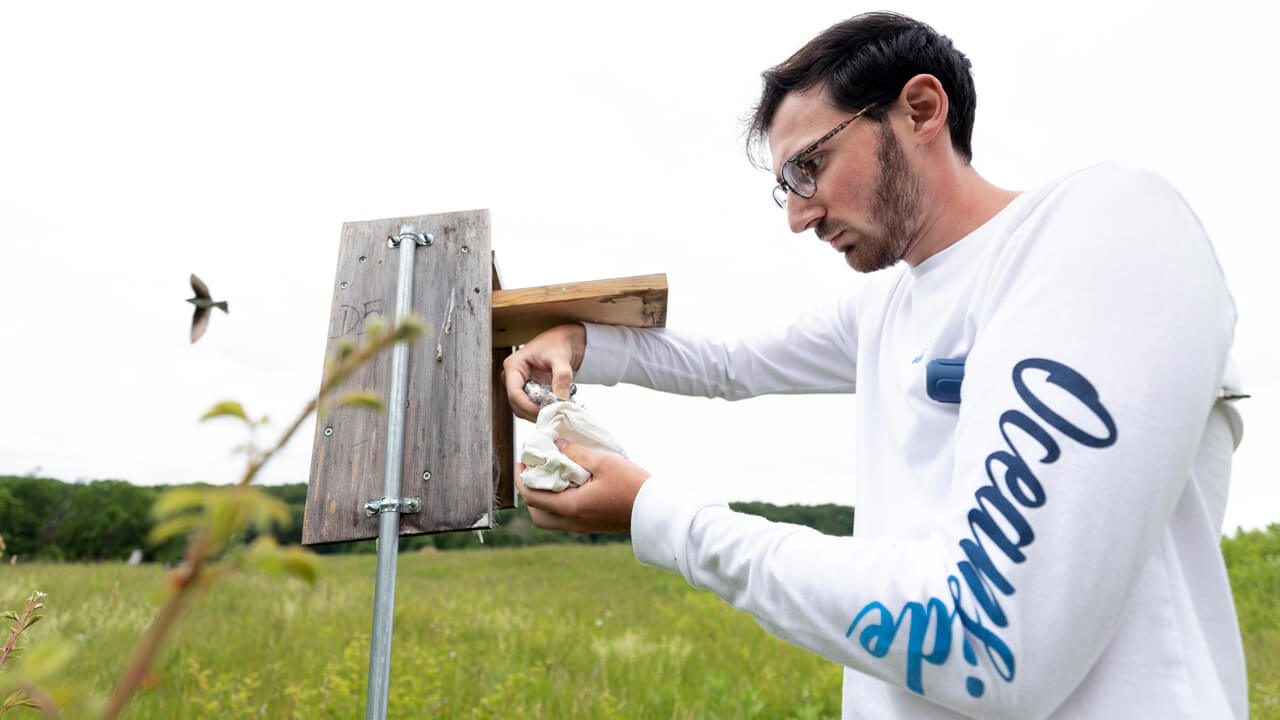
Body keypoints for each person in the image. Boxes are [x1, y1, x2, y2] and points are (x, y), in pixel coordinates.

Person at [503, 11, 1247, 719]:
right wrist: (580, 343)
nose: (798, 214)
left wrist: (657, 516)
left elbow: (991, 643)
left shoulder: (1102, 231)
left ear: (921, 110)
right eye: (786, 185)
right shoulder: (887, 309)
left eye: (810, 166)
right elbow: (729, 363)